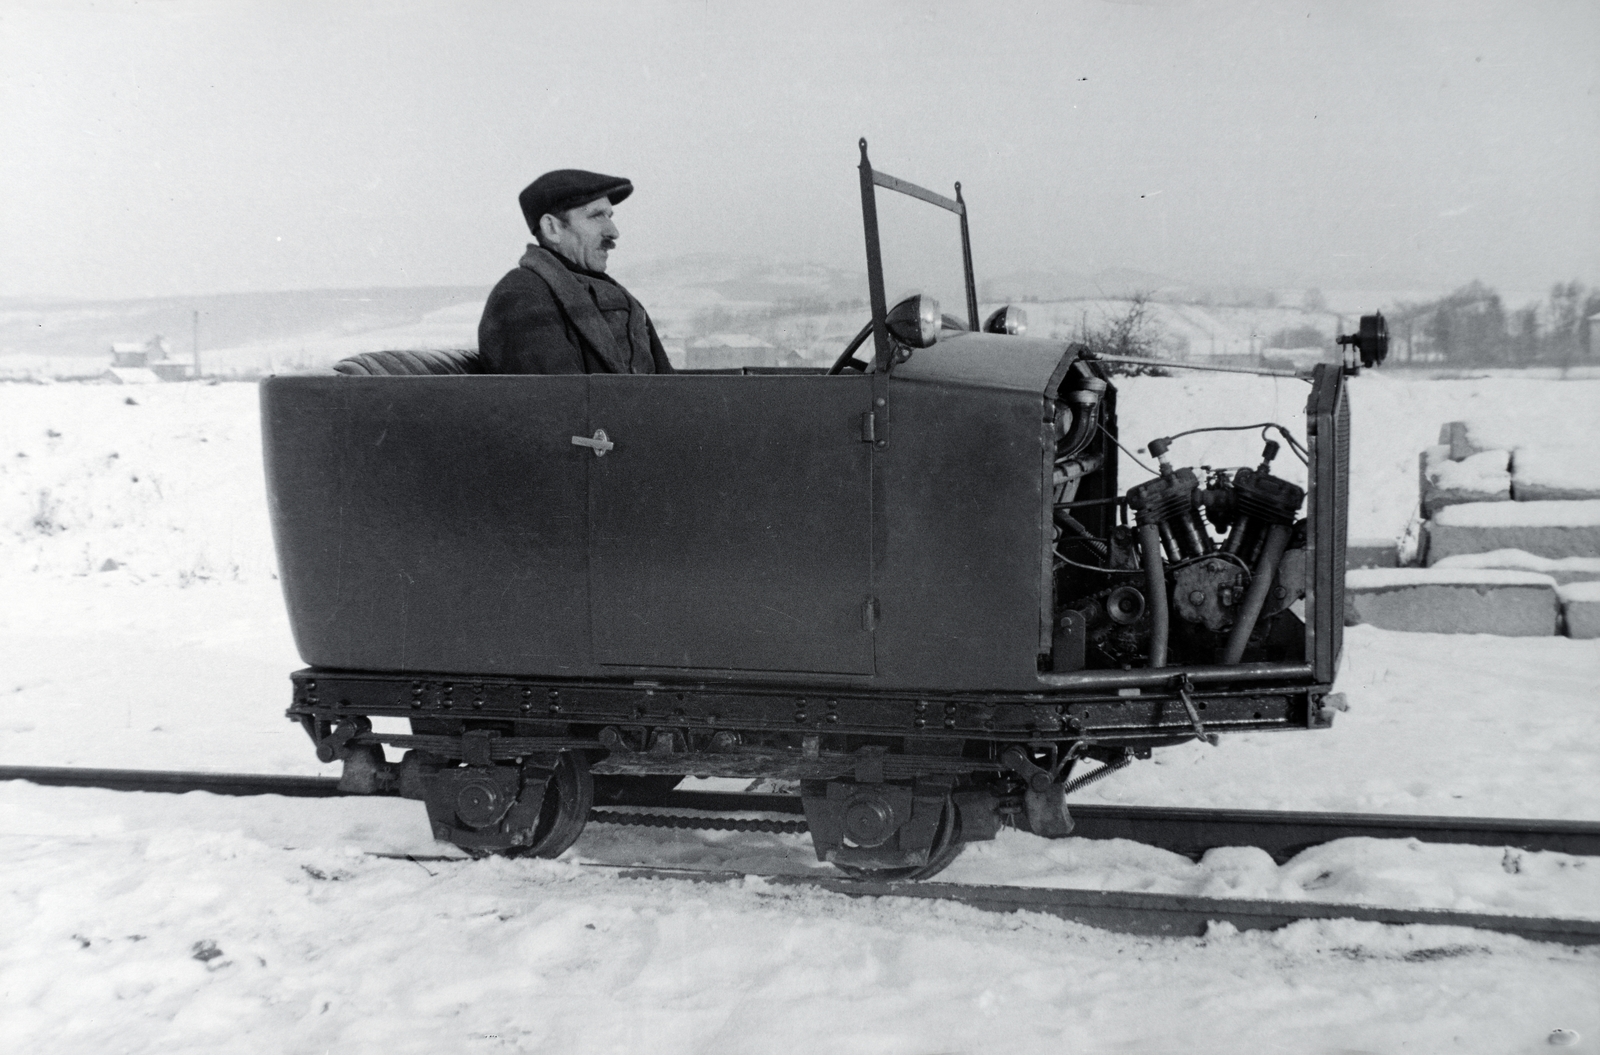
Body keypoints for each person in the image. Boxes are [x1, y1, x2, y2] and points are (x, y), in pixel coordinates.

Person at [477, 169, 674, 374]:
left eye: (609, 216)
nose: (613, 232)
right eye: (596, 216)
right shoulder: (521, 296)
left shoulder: (598, 286)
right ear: (552, 228)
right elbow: (559, 401)